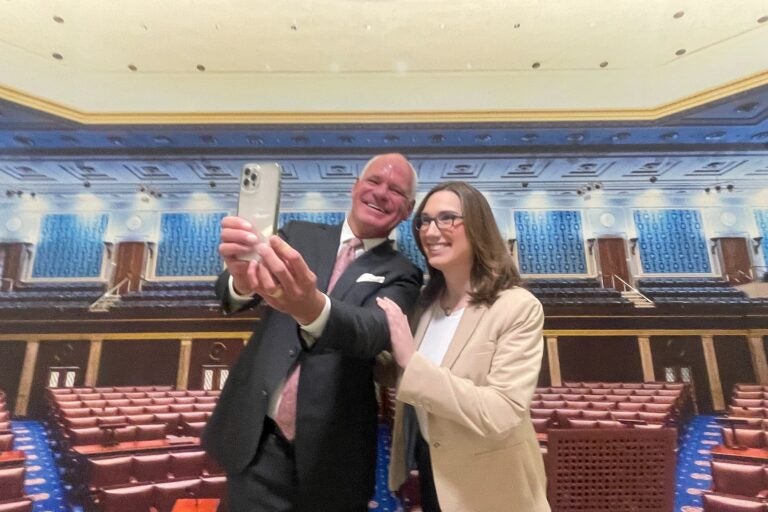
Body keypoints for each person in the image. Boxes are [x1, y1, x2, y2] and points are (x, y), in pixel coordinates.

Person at [203, 153, 423, 511]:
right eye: (373, 182)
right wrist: (242, 282)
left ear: (408, 208)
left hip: (333, 454)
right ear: (355, 188)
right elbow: (230, 293)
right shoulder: (298, 235)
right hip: (259, 438)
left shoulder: (403, 272)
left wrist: (311, 307)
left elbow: (373, 330)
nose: (381, 193)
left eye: (395, 190)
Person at [377, 181, 550, 512]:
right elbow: (397, 372)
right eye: (424, 221)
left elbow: (501, 412)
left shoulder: (516, 307)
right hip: (433, 471)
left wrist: (411, 361)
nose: (431, 231)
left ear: (477, 226)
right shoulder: (423, 307)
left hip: (492, 485)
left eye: (446, 218)